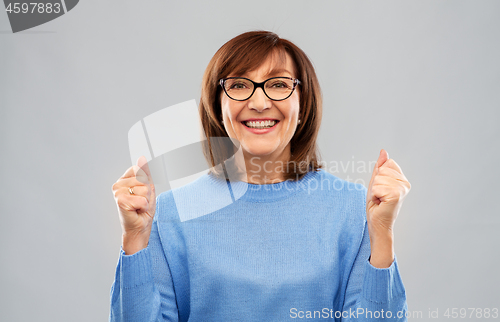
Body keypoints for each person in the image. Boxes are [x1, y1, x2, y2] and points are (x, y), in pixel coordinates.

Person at [110, 30, 411, 321]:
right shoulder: (171, 211)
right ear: (218, 106)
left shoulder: (354, 208)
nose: (259, 103)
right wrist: (135, 238)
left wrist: (382, 231)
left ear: (303, 105)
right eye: (239, 85)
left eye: (278, 84)